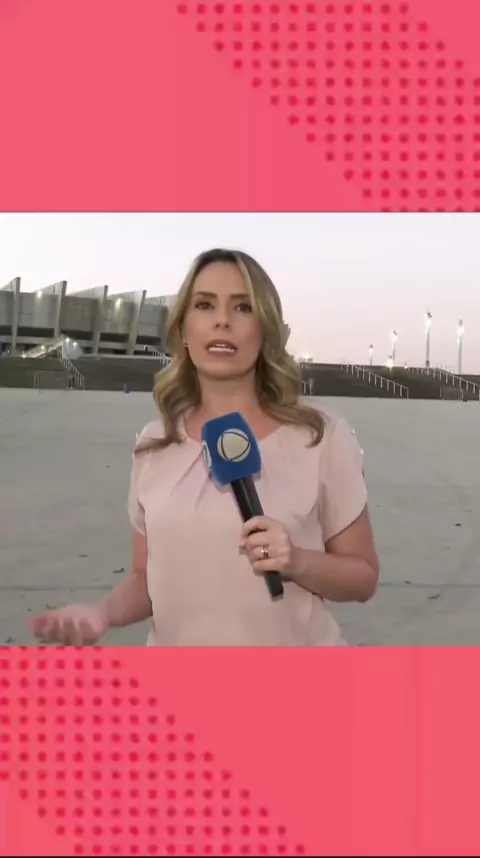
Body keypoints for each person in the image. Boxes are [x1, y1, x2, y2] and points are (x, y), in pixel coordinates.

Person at [30, 248, 379, 647]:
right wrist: (101, 613)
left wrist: (297, 561)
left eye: (243, 307)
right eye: (204, 305)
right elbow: (147, 580)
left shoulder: (320, 436)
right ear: (183, 329)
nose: (222, 320)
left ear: (264, 329)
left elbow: (363, 577)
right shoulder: (153, 446)